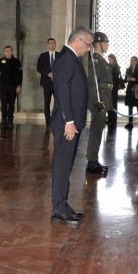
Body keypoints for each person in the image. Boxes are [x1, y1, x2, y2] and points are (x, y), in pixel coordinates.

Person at [50, 27, 93, 226]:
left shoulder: (70, 57)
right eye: (88, 44)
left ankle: (62, 204)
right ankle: (58, 209)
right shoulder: (67, 58)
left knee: (66, 165)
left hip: (70, 121)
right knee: (62, 165)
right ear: (78, 41)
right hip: (66, 123)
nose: (89, 49)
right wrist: (68, 121)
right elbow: (63, 91)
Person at [85, 32, 112, 176]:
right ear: (99, 44)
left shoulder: (100, 59)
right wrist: (97, 102)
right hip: (99, 100)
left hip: (103, 98)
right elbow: (93, 83)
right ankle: (92, 162)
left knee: (98, 130)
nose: (107, 45)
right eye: (106, 42)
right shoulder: (95, 59)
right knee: (96, 131)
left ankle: (93, 160)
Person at [0, 45, 23, 129]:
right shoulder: (0, 61)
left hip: (13, 86)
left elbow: (20, 75)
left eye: (10, 51)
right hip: (2, 86)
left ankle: (10, 121)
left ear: (12, 52)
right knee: (4, 103)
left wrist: (19, 85)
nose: (8, 52)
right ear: (4, 52)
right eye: (6, 51)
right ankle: (3, 121)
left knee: (12, 103)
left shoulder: (17, 61)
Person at [35, 38, 59, 127]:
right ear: (48, 45)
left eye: (53, 43)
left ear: (55, 44)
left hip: (57, 83)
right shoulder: (43, 55)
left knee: (58, 102)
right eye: (50, 43)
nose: (52, 44)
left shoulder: (59, 55)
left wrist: (55, 74)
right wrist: (48, 74)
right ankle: (48, 122)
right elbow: (39, 68)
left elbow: (63, 67)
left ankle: (56, 120)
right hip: (46, 82)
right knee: (47, 102)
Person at [123, 56, 138, 130]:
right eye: (131, 60)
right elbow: (125, 79)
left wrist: (134, 79)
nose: (133, 61)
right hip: (130, 89)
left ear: (137, 61)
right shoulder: (128, 69)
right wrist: (127, 79)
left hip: (137, 89)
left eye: (134, 60)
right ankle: (130, 122)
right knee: (130, 106)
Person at [107, 53, 124, 131]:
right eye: (108, 59)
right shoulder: (109, 66)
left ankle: (113, 120)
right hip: (109, 89)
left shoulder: (116, 67)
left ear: (114, 59)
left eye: (110, 59)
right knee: (109, 105)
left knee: (113, 105)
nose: (109, 61)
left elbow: (115, 79)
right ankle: (109, 119)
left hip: (114, 89)